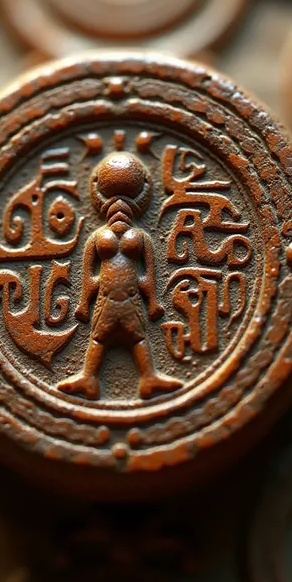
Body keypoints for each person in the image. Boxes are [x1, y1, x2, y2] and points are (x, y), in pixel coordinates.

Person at [58, 151, 182, 400]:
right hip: (105, 296)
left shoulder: (142, 238)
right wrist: (84, 302)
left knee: (138, 336)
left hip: (131, 295)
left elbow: (148, 274)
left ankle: (149, 378)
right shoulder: (96, 238)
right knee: (98, 337)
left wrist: (153, 302)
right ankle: (88, 378)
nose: (119, 206)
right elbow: (88, 274)